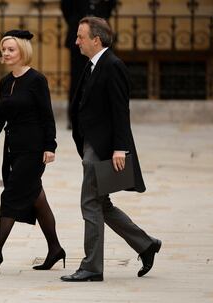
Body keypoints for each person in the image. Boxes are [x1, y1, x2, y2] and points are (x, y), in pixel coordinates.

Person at [60, 17, 161, 282]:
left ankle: (92, 267)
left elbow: (120, 111)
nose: (76, 41)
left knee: (90, 203)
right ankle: (146, 244)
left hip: (104, 147)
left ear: (97, 39)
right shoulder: (93, 64)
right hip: (92, 143)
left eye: (81, 37)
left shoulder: (113, 66)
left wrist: (120, 148)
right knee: (101, 204)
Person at [0, 30, 65, 273]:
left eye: (11, 49)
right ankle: (55, 249)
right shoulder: (5, 82)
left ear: (23, 51)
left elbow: (48, 116)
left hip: (34, 150)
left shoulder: (37, 80)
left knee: (11, 195)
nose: (6, 53)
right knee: (36, 198)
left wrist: (50, 146)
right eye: (4, 49)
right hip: (12, 149)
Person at [60, 0, 117, 129]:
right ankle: (74, 117)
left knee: (104, 78)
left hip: (101, 37)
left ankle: (102, 116)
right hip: (79, 38)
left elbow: (109, 7)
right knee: (78, 79)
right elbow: (66, 8)